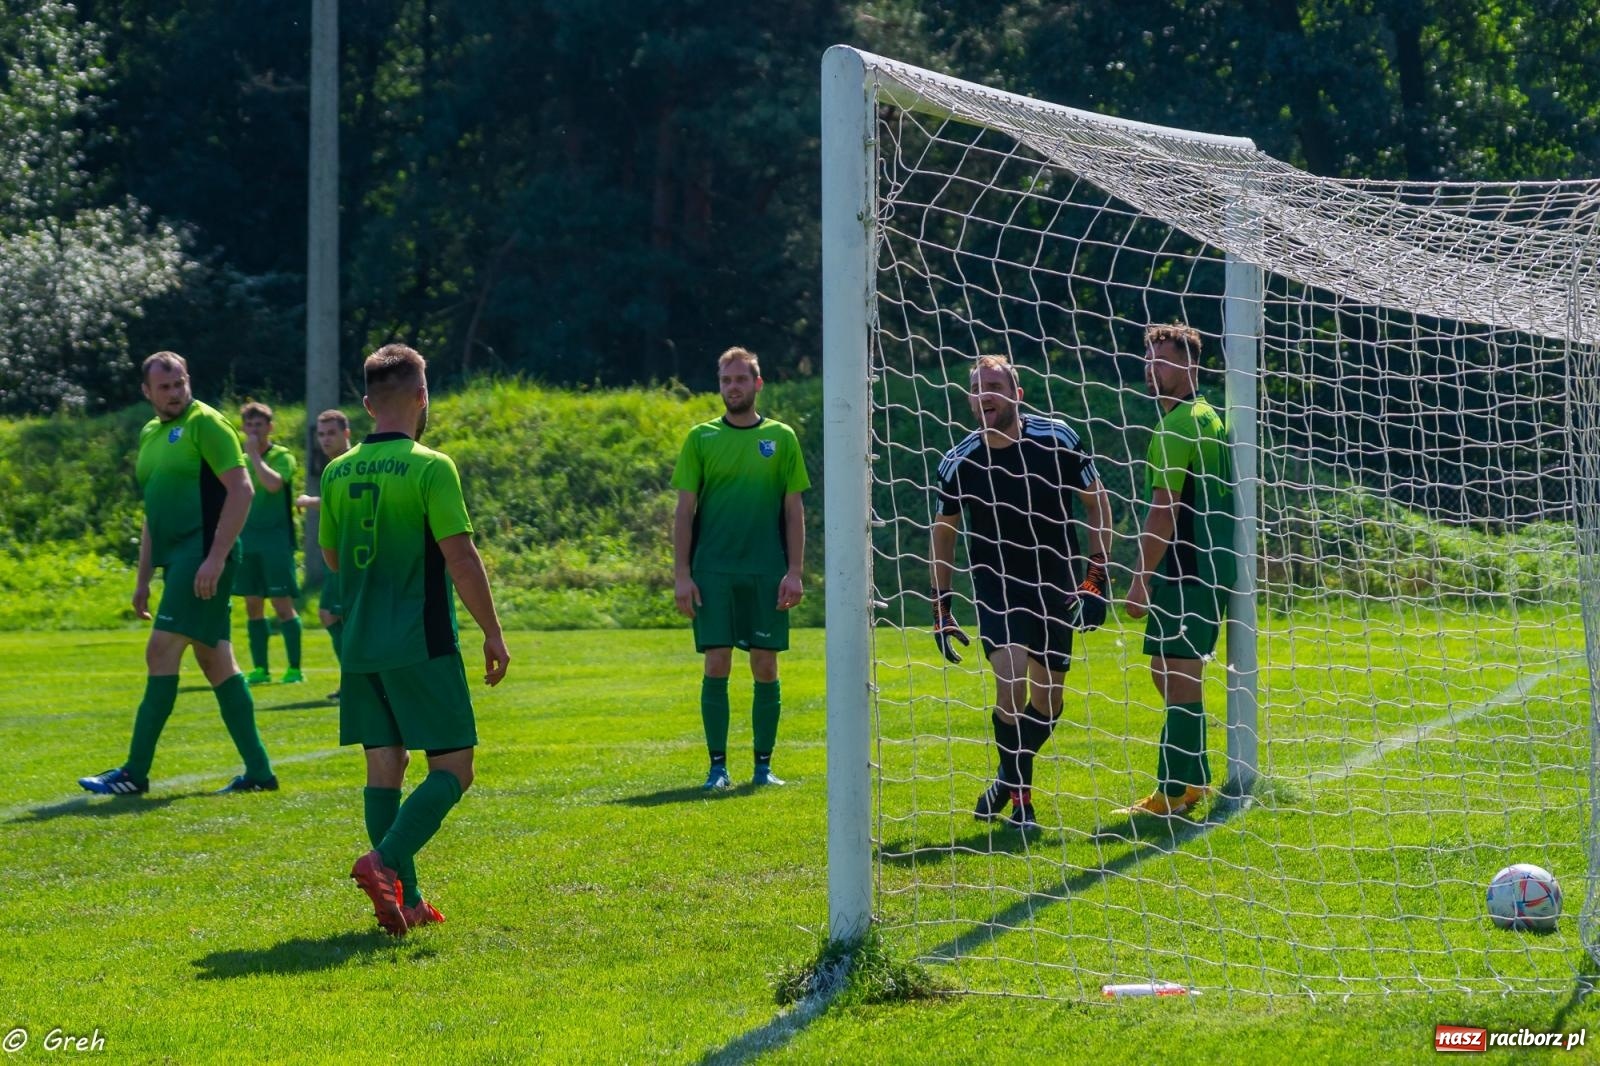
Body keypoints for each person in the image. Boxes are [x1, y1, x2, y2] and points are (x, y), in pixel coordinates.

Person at [321, 344, 509, 936]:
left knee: (385, 765)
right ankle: (382, 863)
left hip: (359, 644)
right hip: (419, 640)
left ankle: (406, 902)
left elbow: (332, 556)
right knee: (455, 766)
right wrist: (492, 632)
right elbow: (460, 554)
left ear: (368, 402)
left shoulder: (336, 469)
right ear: (423, 397)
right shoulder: (431, 465)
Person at [78, 352, 278, 796]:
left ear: (188, 381)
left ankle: (134, 773)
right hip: (181, 560)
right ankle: (261, 774)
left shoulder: (206, 423)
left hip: (204, 556)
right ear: (147, 392)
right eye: (164, 387)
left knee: (160, 651)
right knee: (215, 661)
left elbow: (241, 490)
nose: (174, 393)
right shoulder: (152, 433)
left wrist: (217, 557)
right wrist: (143, 579)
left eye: (180, 384)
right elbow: (154, 515)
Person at [930, 355, 1113, 830]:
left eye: (994, 385)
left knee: (1049, 703)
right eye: (976, 387)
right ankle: (1023, 805)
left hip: (1055, 584)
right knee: (1009, 681)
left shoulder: (1059, 438)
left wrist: (1096, 577)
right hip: (998, 588)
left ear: (1017, 394)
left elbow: (1098, 504)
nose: (984, 393)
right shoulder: (959, 461)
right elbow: (944, 531)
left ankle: (1005, 778)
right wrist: (941, 604)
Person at [671, 347, 810, 791]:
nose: (733, 387)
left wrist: (794, 570)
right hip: (713, 572)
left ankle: (763, 768)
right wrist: (681, 574)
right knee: (717, 663)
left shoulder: (782, 438)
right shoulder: (701, 438)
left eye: (740, 380)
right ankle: (717, 768)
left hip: (767, 571)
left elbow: (793, 510)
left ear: (757, 384)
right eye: (726, 380)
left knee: (766, 666)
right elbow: (684, 511)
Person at [1119, 323, 1236, 818]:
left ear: (1190, 365)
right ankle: (1194, 781)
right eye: (1149, 359)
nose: (1153, 368)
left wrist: (1139, 580)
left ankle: (1172, 791)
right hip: (1207, 567)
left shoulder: (1175, 428)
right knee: (1166, 672)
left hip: (1188, 570)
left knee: (1179, 675)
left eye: (1163, 360)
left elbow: (1163, 511)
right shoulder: (1209, 415)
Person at [236, 402, 305, 685]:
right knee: (253, 605)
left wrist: (254, 456)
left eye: (259, 425)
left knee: (281, 604)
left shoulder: (282, 456)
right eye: (249, 425)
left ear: (270, 427)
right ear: (243, 428)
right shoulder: (238, 460)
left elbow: (274, 484)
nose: (254, 430)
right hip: (246, 541)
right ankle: (261, 669)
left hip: (275, 542)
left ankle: (294, 668)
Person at [295, 409, 354, 701]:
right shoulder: (335, 466)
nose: (325, 439)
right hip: (342, 554)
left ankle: (358, 681)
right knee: (334, 615)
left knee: (333, 614)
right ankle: (355, 680)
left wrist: (309, 501)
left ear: (346, 433)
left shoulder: (348, 465)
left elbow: (344, 503)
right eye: (321, 434)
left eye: (331, 432)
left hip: (350, 555)